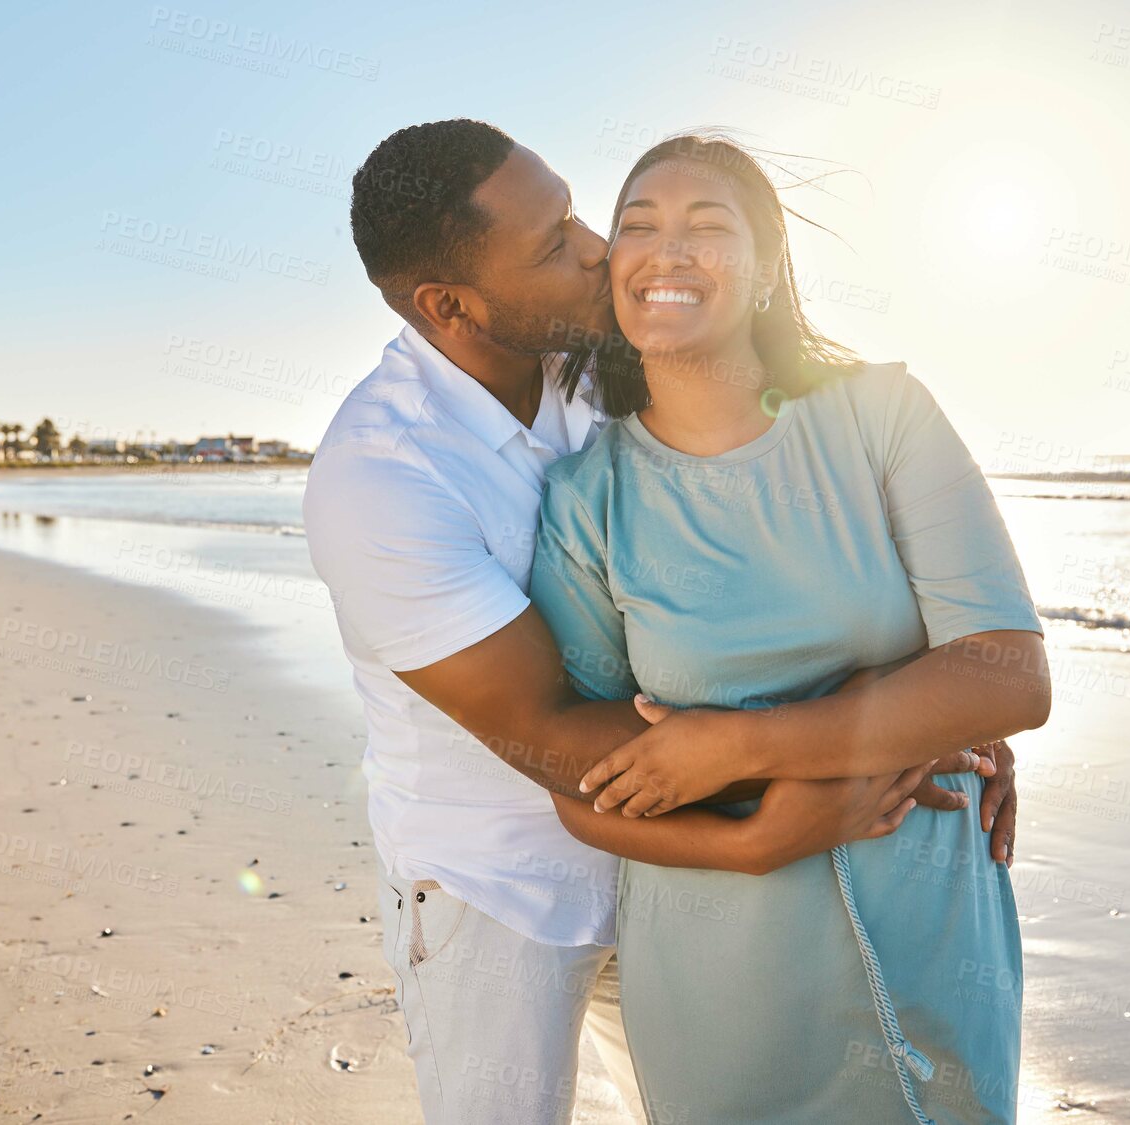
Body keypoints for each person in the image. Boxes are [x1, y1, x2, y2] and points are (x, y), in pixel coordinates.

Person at [304, 120, 1031, 1125]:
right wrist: (862, 751)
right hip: (504, 891)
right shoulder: (380, 481)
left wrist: (932, 707)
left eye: (574, 213)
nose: (599, 249)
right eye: (555, 243)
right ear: (450, 306)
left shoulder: (593, 353)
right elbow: (550, 731)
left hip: (670, 890)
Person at [526, 135, 1050, 1124]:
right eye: (637, 227)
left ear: (767, 270)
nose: (664, 251)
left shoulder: (880, 417)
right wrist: (883, 722)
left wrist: (735, 744)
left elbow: (1009, 677)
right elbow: (580, 790)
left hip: (927, 931)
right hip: (713, 968)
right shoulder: (586, 499)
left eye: (706, 227)